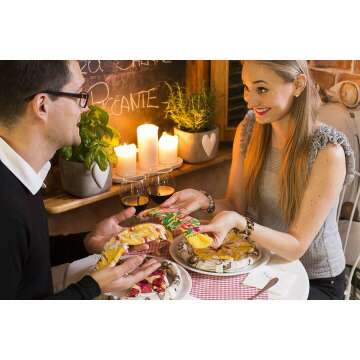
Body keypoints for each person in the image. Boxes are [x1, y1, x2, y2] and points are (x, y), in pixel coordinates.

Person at [161, 60, 355, 300]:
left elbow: (295, 247)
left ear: (298, 84)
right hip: (260, 266)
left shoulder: (328, 151)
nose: (250, 101)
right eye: (246, 87)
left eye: (262, 89)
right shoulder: (249, 129)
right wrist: (204, 201)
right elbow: (236, 205)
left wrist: (240, 223)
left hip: (315, 281)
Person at [0, 60, 160, 299]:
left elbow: (26, 257)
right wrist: (92, 287)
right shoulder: (5, 207)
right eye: (78, 95)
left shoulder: (20, 172)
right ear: (42, 105)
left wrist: (86, 242)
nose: (84, 108)